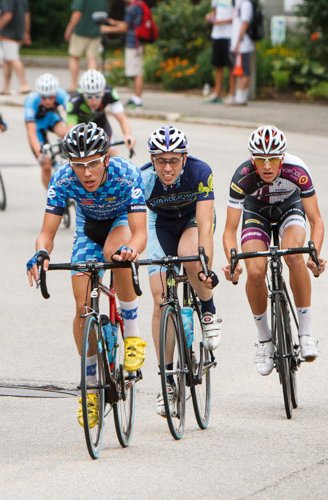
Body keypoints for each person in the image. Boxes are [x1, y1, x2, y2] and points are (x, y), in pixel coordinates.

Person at [26, 122, 147, 429]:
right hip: (88, 229)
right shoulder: (63, 178)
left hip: (120, 222)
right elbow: (46, 234)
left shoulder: (126, 174)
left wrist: (131, 251)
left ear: (106, 158)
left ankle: (132, 335)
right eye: (79, 165)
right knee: (82, 308)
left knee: (114, 253)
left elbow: (140, 234)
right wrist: (41, 253)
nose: (86, 173)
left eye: (93, 163)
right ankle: (90, 386)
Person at [221, 126, 326, 376]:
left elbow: (316, 220)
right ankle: (265, 341)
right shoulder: (242, 177)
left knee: (294, 254)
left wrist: (315, 255)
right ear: (252, 159)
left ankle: (306, 334)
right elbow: (229, 231)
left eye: (273, 159)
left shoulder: (297, 170)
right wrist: (233, 262)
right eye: (260, 159)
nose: (267, 166)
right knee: (256, 271)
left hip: (290, 208)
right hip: (256, 211)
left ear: (282, 157)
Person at [140, 126, 221, 416]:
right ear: (152, 159)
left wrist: (205, 266)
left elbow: (205, 225)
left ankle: (209, 310)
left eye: (173, 160)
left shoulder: (199, 171)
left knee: (189, 255)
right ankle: (167, 380)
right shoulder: (143, 179)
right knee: (161, 300)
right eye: (161, 161)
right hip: (159, 225)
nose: (167, 168)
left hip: (192, 221)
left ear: (184, 159)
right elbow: (133, 223)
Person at [66, 69, 135, 155]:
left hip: (100, 123)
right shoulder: (75, 100)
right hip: (81, 127)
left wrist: (128, 135)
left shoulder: (109, 93)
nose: (94, 101)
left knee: (112, 153)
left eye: (97, 96)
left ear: (103, 93)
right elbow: (71, 128)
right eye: (89, 97)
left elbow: (122, 119)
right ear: (83, 94)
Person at [24, 73, 70, 188]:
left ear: (56, 93)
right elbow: (31, 132)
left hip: (51, 118)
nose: (48, 101)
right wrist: (39, 154)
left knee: (65, 133)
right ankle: (51, 193)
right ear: (39, 95)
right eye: (44, 98)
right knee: (45, 164)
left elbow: (72, 118)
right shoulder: (31, 101)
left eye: (51, 97)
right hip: (37, 126)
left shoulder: (62, 95)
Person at [100, 0, 144, 108]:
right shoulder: (138, 5)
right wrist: (115, 22)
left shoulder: (132, 8)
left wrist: (108, 29)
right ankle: (136, 97)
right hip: (138, 43)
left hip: (133, 44)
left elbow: (124, 28)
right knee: (136, 71)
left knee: (136, 72)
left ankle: (137, 99)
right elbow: (129, 24)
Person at [64, 0, 108, 91]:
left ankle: (74, 86)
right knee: (92, 59)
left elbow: (77, 14)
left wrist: (69, 29)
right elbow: (104, 15)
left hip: (80, 32)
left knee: (74, 58)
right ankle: (92, 85)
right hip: (96, 33)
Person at [0, 0, 31, 95]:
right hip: (19, 32)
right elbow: (26, 16)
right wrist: (26, 32)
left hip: (9, 33)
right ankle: (6, 87)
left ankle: (24, 85)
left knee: (13, 58)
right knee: (6, 60)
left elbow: (7, 15)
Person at [227, 0, 254, 106]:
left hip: (243, 44)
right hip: (238, 44)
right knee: (241, 71)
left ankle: (240, 98)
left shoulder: (246, 4)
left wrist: (238, 42)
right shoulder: (238, 4)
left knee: (245, 71)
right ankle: (242, 98)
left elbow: (245, 23)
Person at [205, 0, 233, 103]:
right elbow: (214, 12)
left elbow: (236, 17)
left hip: (229, 34)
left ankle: (232, 93)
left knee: (230, 65)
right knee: (218, 65)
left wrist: (221, 21)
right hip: (217, 34)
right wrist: (210, 17)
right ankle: (217, 93)